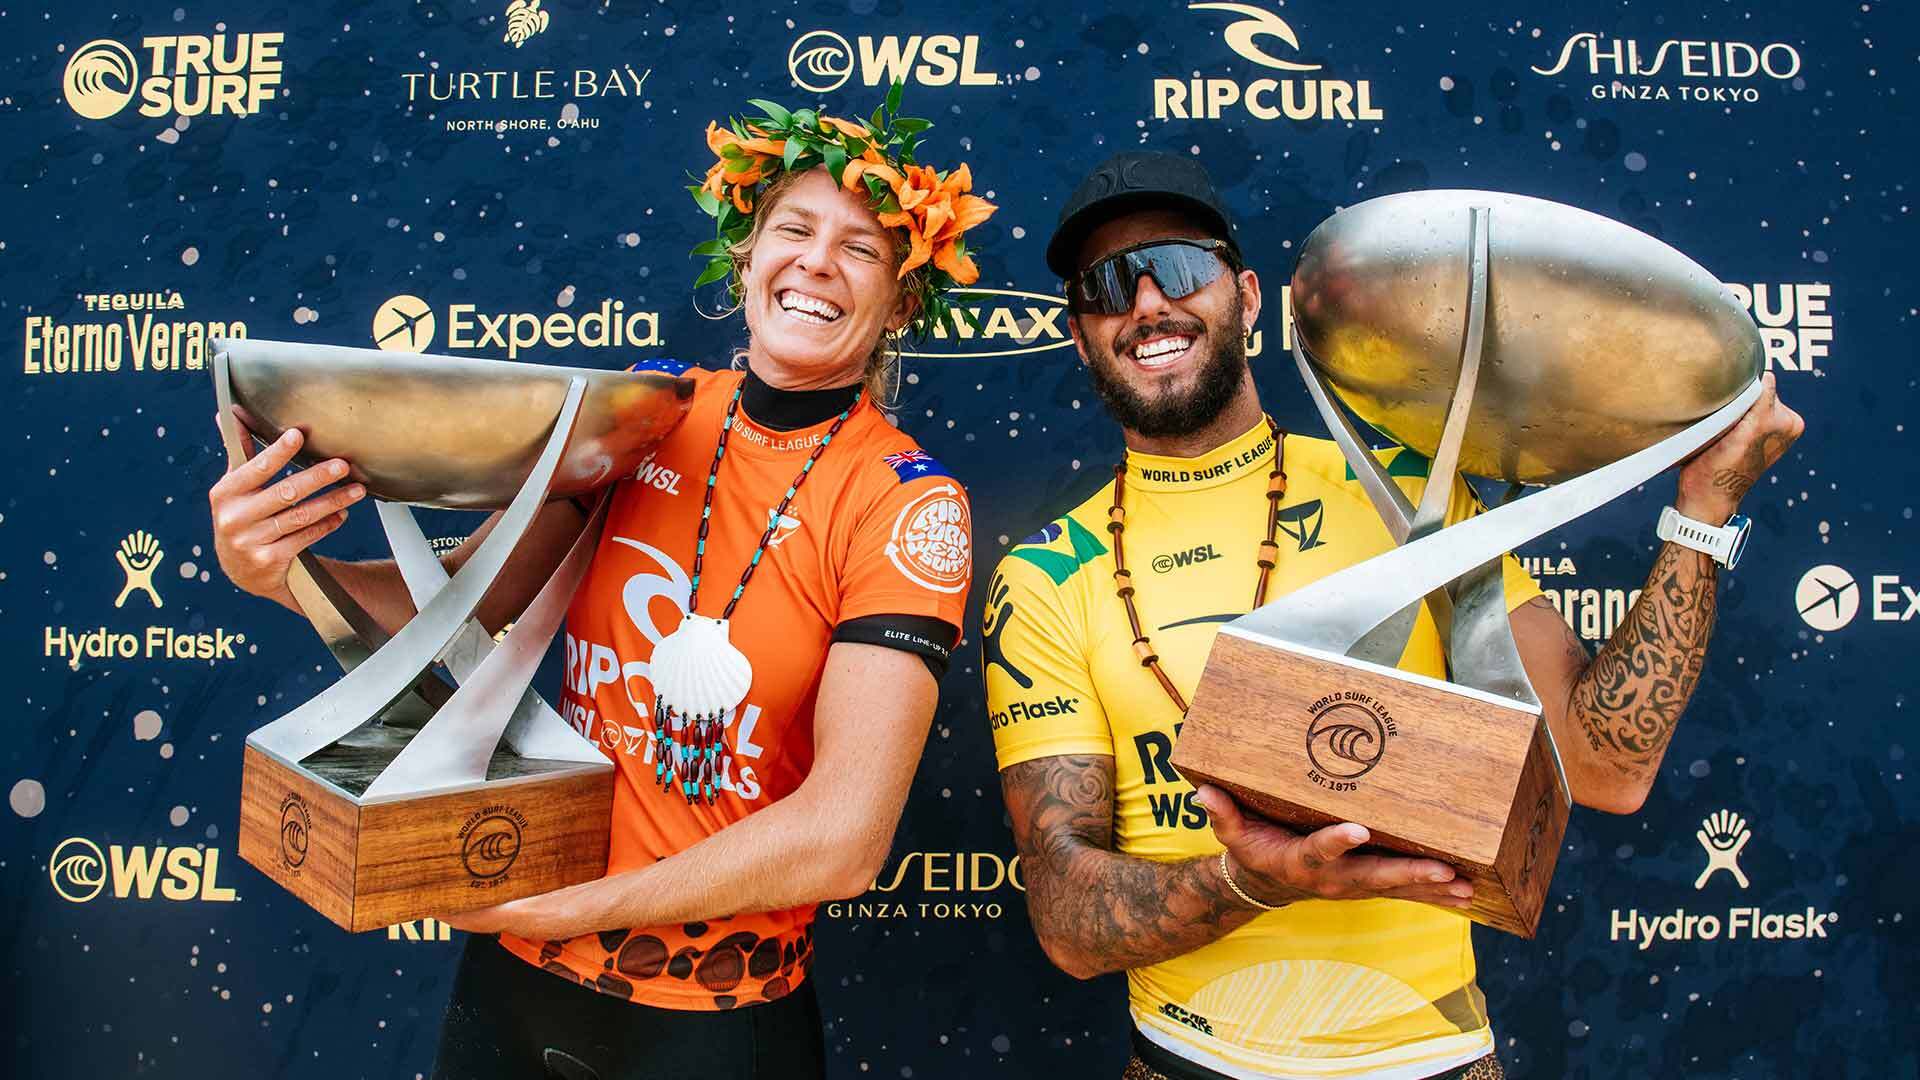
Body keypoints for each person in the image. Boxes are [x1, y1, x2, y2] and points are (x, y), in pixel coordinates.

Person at [210, 93, 992, 1080]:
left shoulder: (905, 502)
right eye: (793, 229)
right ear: (745, 257)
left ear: (902, 302)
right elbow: (452, 612)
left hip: (707, 1020)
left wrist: (574, 908)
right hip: (508, 978)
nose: (817, 264)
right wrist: (279, 572)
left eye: (862, 249)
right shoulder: (643, 409)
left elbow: (842, 839)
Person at [982, 152, 1802, 1080]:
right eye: (1103, 287)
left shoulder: (1412, 499)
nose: (1144, 304)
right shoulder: (1050, 573)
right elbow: (1066, 920)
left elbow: (1605, 767)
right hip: (1181, 1062)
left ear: (1249, 298)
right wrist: (1252, 880)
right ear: (1079, 336)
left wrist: (1702, 514)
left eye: (1175, 268)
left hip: (1436, 1061)